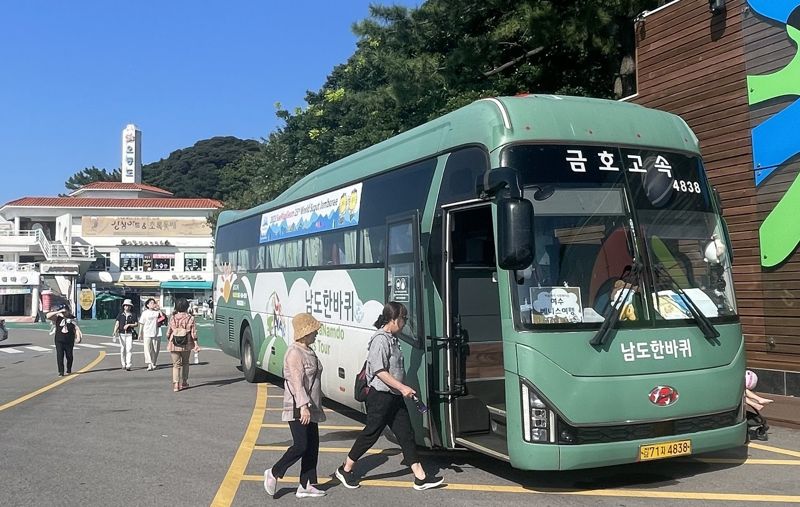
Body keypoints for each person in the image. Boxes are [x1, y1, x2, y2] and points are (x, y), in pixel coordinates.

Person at [335, 302, 443, 491]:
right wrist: (402, 387)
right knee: (371, 433)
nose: (405, 322)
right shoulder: (380, 340)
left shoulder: (393, 338)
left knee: (406, 434)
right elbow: (379, 371)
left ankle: (420, 477)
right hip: (380, 396)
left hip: (393, 396)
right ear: (393, 319)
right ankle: (346, 469)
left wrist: (401, 389)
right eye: (404, 318)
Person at [263, 313, 327, 499]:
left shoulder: (308, 350)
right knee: (301, 445)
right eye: (314, 330)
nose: (316, 333)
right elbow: (296, 383)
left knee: (312, 445)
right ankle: (274, 472)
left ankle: (306, 484)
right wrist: (304, 406)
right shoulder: (294, 353)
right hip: (298, 407)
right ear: (306, 332)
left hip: (311, 406)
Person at [167, 298, 199, 392]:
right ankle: (184, 382)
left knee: (176, 364)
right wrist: (196, 344)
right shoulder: (190, 318)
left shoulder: (173, 317)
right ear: (187, 307)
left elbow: (168, 332)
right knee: (185, 362)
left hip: (174, 342)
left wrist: (169, 337)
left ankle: (176, 384)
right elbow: (193, 332)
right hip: (186, 342)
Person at [46, 304, 82, 376]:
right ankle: (61, 372)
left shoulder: (73, 318)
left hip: (69, 340)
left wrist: (78, 337)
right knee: (60, 355)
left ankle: (69, 369)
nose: (64, 312)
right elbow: (48, 316)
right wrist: (58, 312)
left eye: (65, 311)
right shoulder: (57, 317)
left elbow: (76, 328)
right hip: (59, 339)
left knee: (69, 356)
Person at [112, 299, 137, 371]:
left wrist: (129, 325)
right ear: (123, 306)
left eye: (128, 306)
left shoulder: (133, 314)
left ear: (131, 307)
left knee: (129, 349)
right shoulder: (120, 314)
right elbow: (117, 323)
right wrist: (114, 331)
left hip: (129, 333)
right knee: (122, 349)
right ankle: (123, 364)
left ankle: (128, 364)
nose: (127, 307)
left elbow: (136, 324)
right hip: (121, 333)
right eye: (125, 305)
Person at [138, 298, 162, 371]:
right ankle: (149, 364)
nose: (153, 304)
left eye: (153, 303)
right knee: (147, 349)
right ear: (147, 305)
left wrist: (159, 309)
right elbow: (142, 323)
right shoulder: (145, 313)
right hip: (147, 332)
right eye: (151, 303)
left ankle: (154, 363)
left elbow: (163, 318)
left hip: (156, 333)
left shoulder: (157, 312)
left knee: (155, 349)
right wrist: (140, 333)